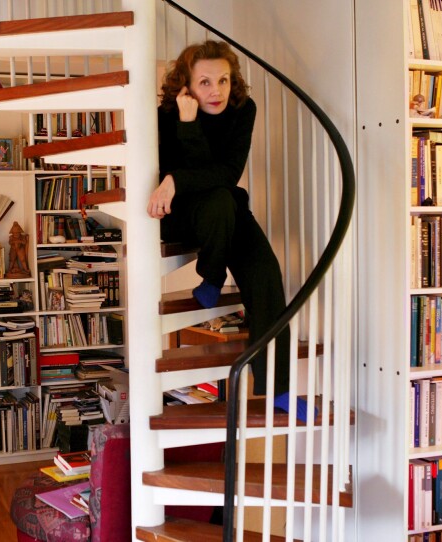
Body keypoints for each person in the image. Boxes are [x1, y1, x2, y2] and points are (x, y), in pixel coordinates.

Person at [148, 40, 309, 421]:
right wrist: (187, 126)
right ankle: (213, 273)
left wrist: (175, 179)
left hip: (224, 209)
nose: (215, 90)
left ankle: (279, 387)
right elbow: (195, 176)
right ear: (184, 84)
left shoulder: (242, 110)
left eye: (222, 80)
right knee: (221, 200)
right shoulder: (165, 115)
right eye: (204, 82)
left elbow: (227, 172)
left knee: (266, 275)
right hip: (183, 214)